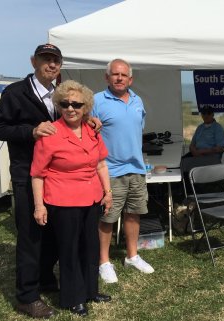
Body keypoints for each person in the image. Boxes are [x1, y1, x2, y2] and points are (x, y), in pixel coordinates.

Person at [0, 43, 63, 318]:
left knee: (54, 232)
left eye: (56, 60)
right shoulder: (16, 92)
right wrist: (31, 131)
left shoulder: (60, 93)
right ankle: (27, 296)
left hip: (55, 176)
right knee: (31, 236)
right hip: (27, 174)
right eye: (46, 59)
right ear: (34, 61)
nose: (51, 64)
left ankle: (44, 277)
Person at [31, 80, 113, 316]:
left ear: (85, 106)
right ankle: (73, 297)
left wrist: (107, 192)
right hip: (63, 200)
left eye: (76, 104)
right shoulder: (50, 134)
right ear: (58, 105)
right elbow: (37, 174)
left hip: (92, 197)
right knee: (70, 249)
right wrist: (39, 206)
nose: (70, 108)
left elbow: (101, 164)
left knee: (91, 245)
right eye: (65, 103)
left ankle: (90, 290)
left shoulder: (92, 130)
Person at [92, 58, 154, 284]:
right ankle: (104, 262)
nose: (119, 78)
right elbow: (86, 129)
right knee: (107, 217)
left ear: (131, 79)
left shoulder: (138, 100)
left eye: (123, 75)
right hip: (110, 170)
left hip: (136, 168)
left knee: (133, 213)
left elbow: (137, 130)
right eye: (115, 74)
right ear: (107, 77)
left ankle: (132, 256)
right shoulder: (97, 101)